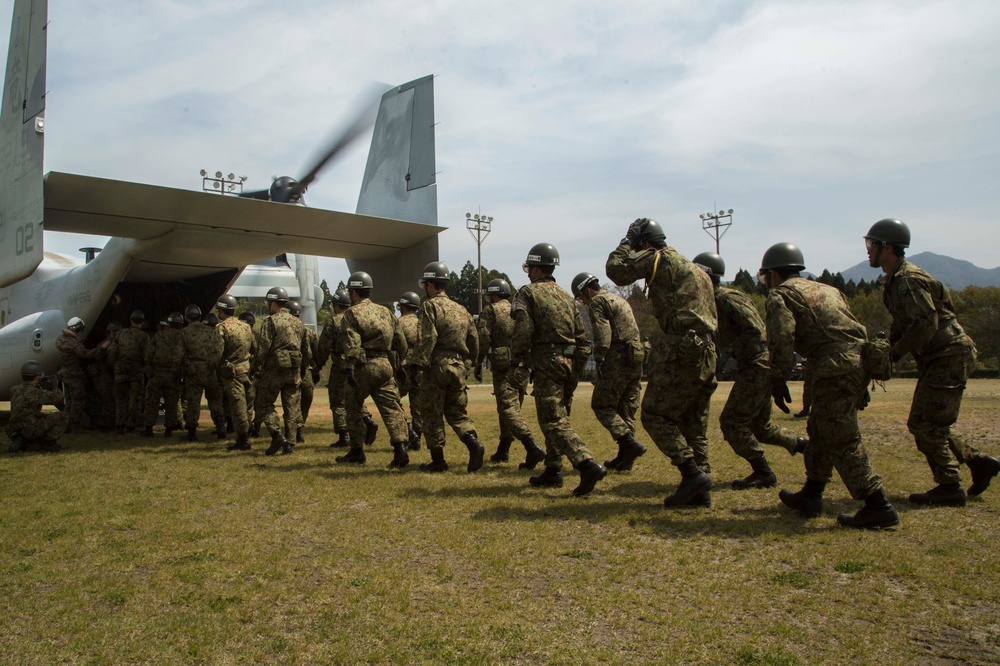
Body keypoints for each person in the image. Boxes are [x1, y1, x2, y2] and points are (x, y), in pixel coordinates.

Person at [759, 242, 899, 529]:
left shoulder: (780, 295)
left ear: (774, 273)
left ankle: (877, 504)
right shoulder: (828, 289)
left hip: (834, 365)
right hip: (859, 361)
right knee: (821, 429)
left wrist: (777, 376)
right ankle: (812, 493)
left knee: (840, 435)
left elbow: (782, 337)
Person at [864, 218, 1000, 504]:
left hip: (947, 355)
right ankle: (978, 462)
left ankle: (950, 487)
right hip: (939, 356)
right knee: (934, 421)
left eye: (871, 244)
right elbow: (902, 326)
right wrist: (887, 351)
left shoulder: (908, 280)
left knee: (923, 424)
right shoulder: (893, 282)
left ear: (886, 247)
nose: (868, 250)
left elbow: (926, 323)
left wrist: (896, 352)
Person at [606, 219, 717, 507]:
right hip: (707, 350)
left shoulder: (658, 258)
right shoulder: (694, 268)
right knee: (692, 420)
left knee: (655, 415)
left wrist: (626, 241)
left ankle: (692, 474)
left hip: (683, 348)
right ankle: (699, 487)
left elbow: (616, 271)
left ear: (645, 244)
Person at [691, 252, 808, 490]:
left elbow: (754, 331)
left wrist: (734, 349)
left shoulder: (725, 298)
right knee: (760, 427)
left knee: (732, 422)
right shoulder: (715, 300)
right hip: (753, 364)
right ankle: (805, 446)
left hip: (757, 364)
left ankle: (763, 472)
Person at [512, 244, 606, 496]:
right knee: (559, 415)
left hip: (547, 361)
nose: (528, 273)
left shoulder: (527, 293)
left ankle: (586, 463)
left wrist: (518, 359)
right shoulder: (567, 296)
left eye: (530, 268)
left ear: (535, 268)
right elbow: (583, 338)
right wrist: (576, 368)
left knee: (551, 419)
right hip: (570, 362)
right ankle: (553, 470)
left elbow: (523, 330)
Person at [407, 261, 485, 473]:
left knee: (432, 413)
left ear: (430, 284)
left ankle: (438, 461)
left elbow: (428, 338)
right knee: (457, 412)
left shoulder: (430, 306)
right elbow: (473, 341)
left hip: (437, 367)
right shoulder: (462, 309)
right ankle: (473, 444)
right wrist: (468, 364)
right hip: (458, 367)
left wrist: (417, 364)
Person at [571, 272, 647, 472]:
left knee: (602, 405)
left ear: (587, 291)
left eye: (581, 298)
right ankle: (626, 458)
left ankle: (629, 444)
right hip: (636, 357)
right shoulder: (619, 299)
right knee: (626, 408)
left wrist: (600, 357)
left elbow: (602, 331)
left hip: (618, 357)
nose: (583, 303)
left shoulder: (598, 302)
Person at [336, 272, 412, 467]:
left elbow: (352, 343)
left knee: (352, 405)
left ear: (353, 292)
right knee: (391, 408)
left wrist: (350, 367)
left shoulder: (351, 313)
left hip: (363, 366)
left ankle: (356, 451)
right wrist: (400, 363)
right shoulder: (385, 311)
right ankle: (400, 449)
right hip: (385, 366)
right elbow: (400, 342)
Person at [475, 278, 545, 467]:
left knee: (508, 409)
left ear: (494, 295)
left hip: (503, 366)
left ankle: (531, 447)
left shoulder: (491, 311)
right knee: (514, 407)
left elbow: (483, 338)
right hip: (523, 365)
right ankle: (503, 450)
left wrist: (478, 361)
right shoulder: (521, 309)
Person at [254, 287, 307, 455]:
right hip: (293, 370)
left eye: (269, 303)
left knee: (264, 403)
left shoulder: (271, 322)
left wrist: (255, 366)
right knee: (291, 407)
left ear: (274, 303)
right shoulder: (298, 322)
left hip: (274, 371)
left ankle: (277, 434)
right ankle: (289, 443)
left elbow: (263, 348)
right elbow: (306, 349)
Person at [215, 295, 256, 451]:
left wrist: (216, 368)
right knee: (247, 405)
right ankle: (246, 433)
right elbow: (254, 348)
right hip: (246, 370)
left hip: (231, 373)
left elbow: (217, 353)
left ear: (221, 309)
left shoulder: (221, 328)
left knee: (237, 405)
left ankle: (243, 440)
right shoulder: (245, 327)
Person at [180, 304, 225, 441]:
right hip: (210, 369)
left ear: (187, 318)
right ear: (200, 317)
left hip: (193, 370)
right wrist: (213, 365)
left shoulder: (184, 332)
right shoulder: (211, 331)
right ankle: (220, 426)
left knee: (193, 401)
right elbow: (218, 350)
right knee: (215, 399)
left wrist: (184, 369)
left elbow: (179, 355)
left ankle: (192, 433)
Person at [55, 316, 107, 432]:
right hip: (74, 375)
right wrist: (102, 348)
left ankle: (64, 425)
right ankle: (74, 426)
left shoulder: (60, 340)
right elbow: (86, 354)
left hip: (65, 373)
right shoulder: (74, 344)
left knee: (69, 402)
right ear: (77, 328)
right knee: (78, 401)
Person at [7, 361, 69, 452]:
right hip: (30, 427)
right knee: (63, 416)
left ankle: (25, 442)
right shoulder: (34, 392)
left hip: (15, 426)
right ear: (37, 377)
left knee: (41, 417)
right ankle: (48, 444)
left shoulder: (14, 389)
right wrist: (55, 386)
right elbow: (58, 398)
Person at [141, 312, 185, 437]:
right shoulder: (181, 336)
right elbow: (180, 356)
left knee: (152, 401)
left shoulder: (158, 336)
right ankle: (169, 429)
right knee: (171, 402)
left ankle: (148, 428)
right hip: (172, 374)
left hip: (157, 374)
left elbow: (148, 355)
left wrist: (150, 372)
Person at [108, 310, 149, 434]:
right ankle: (131, 425)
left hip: (121, 370)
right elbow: (147, 355)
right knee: (135, 399)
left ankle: (119, 425)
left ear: (130, 321)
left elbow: (111, 350)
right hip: (136, 371)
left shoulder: (120, 333)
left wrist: (114, 365)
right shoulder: (144, 336)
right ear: (142, 323)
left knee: (120, 399)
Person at [395, 291, 424, 451]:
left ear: (403, 307)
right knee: (418, 406)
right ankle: (417, 438)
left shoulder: (398, 323)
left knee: (393, 401)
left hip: (403, 368)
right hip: (420, 369)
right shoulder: (422, 324)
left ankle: (408, 431)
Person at [288, 300, 320, 444]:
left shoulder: (303, 331)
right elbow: (315, 353)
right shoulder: (307, 331)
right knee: (303, 400)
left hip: (296, 370)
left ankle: (297, 429)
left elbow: (315, 352)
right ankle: (298, 429)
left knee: (294, 401)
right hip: (303, 370)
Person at [89, 321, 120, 433]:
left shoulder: (114, 343)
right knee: (107, 400)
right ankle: (104, 424)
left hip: (110, 375)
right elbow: (97, 357)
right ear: (110, 332)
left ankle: (110, 423)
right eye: (115, 332)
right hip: (104, 376)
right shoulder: (104, 344)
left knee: (111, 400)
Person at [238, 311, 259, 434]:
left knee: (242, 401)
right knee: (254, 402)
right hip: (255, 372)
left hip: (242, 371)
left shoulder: (238, 334)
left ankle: (246, 426)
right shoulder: (257, 336)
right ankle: (254, 427)